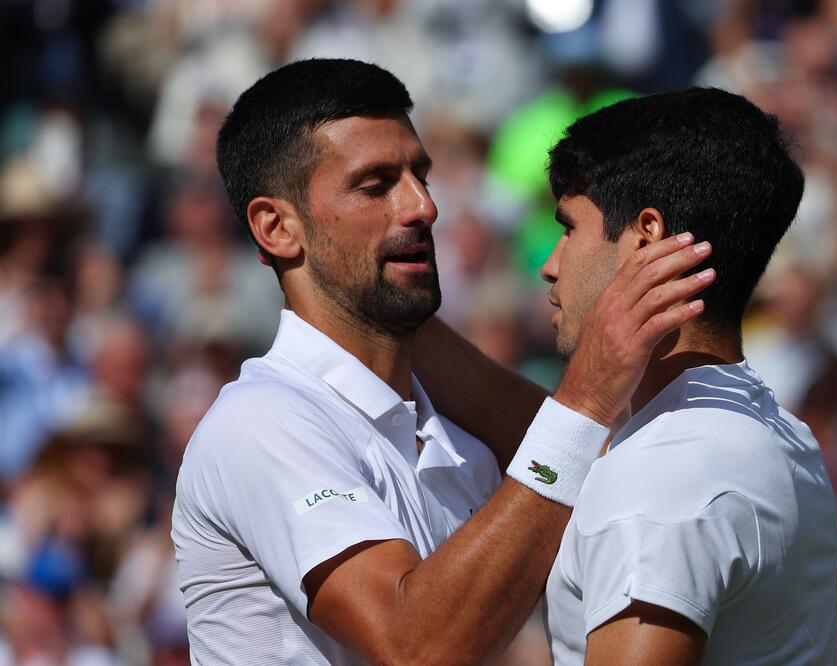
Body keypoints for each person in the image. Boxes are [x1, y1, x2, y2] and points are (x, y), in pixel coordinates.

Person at [171, 58, 716, 665]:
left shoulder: (461, 447)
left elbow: (624, 492)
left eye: (420, 175)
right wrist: (587, 394)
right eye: (376, 184)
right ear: (276, 228)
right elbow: (418, 647)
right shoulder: (261, 422)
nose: (423, 206)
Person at [431, 89, 837, 664]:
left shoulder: (664, 471)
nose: (550, 264)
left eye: (569, 228)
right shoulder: (784, 436)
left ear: (647, 239)